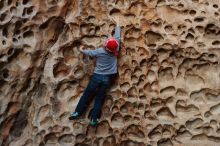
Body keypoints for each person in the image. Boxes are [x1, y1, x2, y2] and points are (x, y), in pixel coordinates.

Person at [69, 21, 121, 127]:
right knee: (99, 98)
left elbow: (90, 53)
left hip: (96, 77)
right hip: (107, 79)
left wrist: (81, 49)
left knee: (87, 95)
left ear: (105, 46)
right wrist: (118, 26)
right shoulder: (117, 49)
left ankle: (77, 112)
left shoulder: (100, 51)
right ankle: (94, 119)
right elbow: (118, 38)